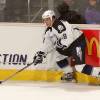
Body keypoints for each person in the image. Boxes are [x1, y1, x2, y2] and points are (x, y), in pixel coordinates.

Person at [33, 10, 87, 82]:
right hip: (69, 45)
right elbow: (47, 44)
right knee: (58, 57)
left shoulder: (59, 25)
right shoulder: (48, 30)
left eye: (47, 19)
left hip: (77, 42)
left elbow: (68, 38)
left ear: (52, 18)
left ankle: (98, 74)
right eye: (44, 20)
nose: (45, 22)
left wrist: (59, 43)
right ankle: (68, 74)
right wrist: (41, 54)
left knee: (79, 66)